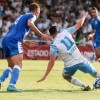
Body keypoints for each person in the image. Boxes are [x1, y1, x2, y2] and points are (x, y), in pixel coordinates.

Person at [37, 12, 100, 91]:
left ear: (51, 34)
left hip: (70, 66)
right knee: (95, 74)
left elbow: (52, 61)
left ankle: (84, 86)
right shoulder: (65, 32)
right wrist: (84, 16)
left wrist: (45, 75)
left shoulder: (53, 45)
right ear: (58, 30)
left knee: (65, 76)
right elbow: (79, 24)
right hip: (81, 60)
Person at [0, 3, 51, 92]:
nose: (38, 15)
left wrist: (24, 41)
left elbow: (15, 31)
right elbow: (30, 24)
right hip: (14, 40)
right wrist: (42, 35)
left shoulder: (21, 16)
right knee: (18, 64)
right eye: (38, 12)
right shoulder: (32, 15)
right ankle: (11, 85)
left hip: (6, 40)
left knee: (11, 66)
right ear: (36, 11)